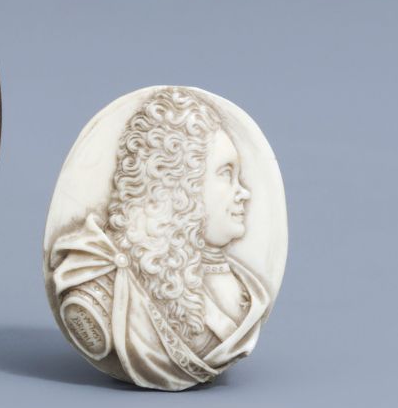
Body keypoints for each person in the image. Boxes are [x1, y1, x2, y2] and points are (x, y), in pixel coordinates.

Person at [48, 86, 271, 389]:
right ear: (177, 188)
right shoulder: (100, 285)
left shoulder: (247, 290)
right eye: (226, 173)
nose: (243, 193)